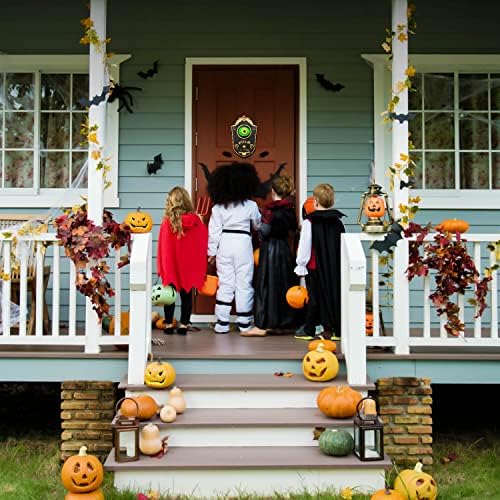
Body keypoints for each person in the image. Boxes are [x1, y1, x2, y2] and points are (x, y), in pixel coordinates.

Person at [207, 162, 261, 334]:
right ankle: (244, 322)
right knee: (244, 283)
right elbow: (258, 225)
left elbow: (213, 232)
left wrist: (211, 253)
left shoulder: (218, 208)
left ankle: (222, 323)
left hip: (224, 243)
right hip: (243, 242)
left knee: (225, 283)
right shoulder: (251, 206)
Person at [243, 175, 298, 337]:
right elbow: (293, 228)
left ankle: (263, 325)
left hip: (270, 250)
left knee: (266, 286)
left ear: (273, 191)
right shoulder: (289, 208)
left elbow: (265, 231)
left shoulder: (271, 210)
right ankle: (282, 324)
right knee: (282, 286)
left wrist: (259, 229)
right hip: (285, 250)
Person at [294, 183, 346, 339]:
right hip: (334, 265)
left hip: (315, 266)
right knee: (333, 294)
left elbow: (305, 246)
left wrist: (300, 264)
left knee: (314, 297)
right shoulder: (337, 222)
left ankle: (309, 329)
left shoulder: (310, 222)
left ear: (315, 201)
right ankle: (336, 328)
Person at [157, 186, 208, 335]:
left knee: (169, 295)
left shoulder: (167, 222)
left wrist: (162, 265)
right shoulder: (195, 221)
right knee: (187, 294)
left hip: (171, 263)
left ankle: (168, 325)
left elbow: (163, 245)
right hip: (189, 265)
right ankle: (184, 325)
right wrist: (201, 222)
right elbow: (203, 241)